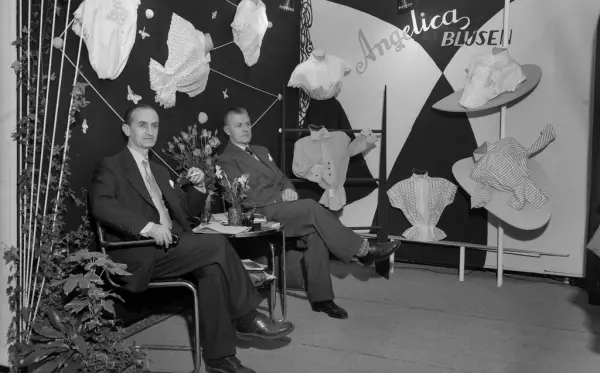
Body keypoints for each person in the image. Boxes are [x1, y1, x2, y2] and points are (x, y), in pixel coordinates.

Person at [90, 104, 294, 373]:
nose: (150, 131)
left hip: (171, 246)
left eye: (154, 125)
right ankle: (247, 317)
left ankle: (219, 359)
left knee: (212, 269)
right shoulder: (112, 166)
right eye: (142, 125)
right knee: (217, 244)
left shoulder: (158, 171)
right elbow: (102, 205)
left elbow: (185, 212)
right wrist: (149, 228)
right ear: (127, 129)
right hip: (139, 250)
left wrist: (198, 188)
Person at [219, 107, 402, 320]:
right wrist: (279, 196)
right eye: (238, 126)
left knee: (315, 232)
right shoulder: (225, 159)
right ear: (227, 130)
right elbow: (242, 196)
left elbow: (282, 178)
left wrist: (289, 189)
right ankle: (363, 250)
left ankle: (322, 299)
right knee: (311, 207)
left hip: (281, 209)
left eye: (247, 124)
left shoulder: (261, 150)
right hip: (258, 214)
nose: (245, 129)